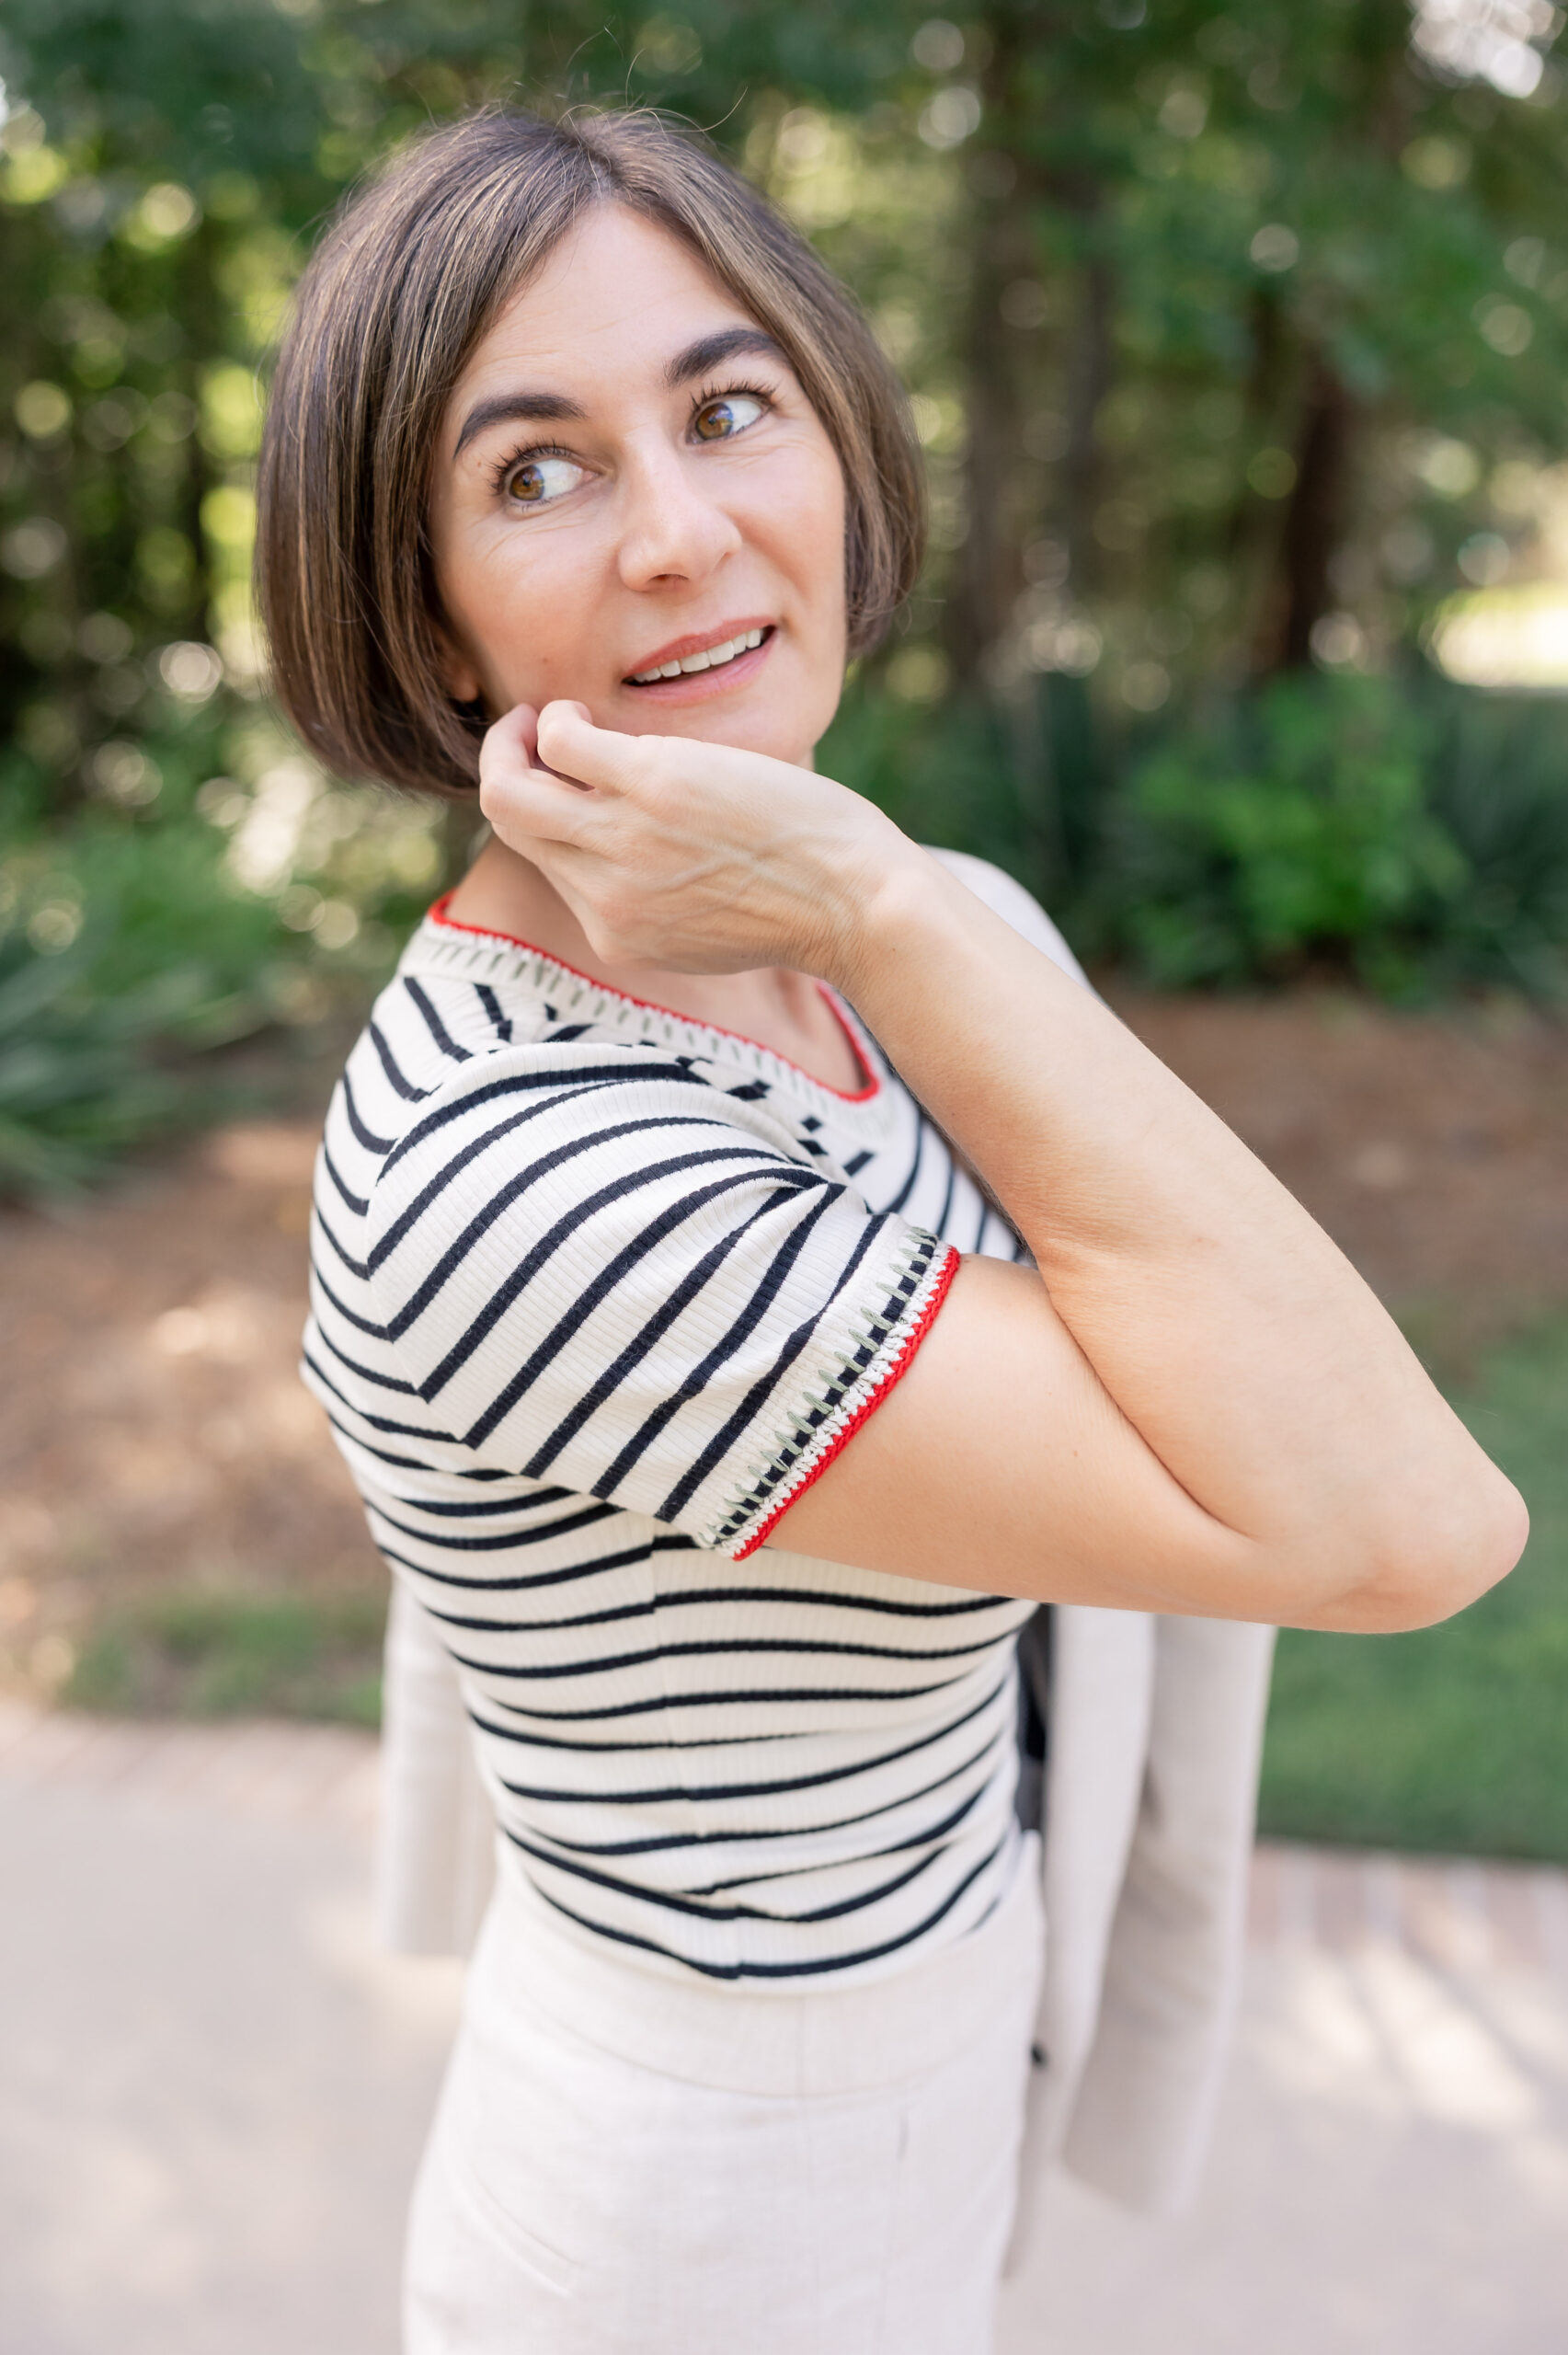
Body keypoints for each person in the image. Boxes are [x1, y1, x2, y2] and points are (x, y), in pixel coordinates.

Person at [255, 105, 1527, 2355]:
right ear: (422, 619)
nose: (680, 532)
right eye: (534, 469)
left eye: (730, 406)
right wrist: (881, 897)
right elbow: (1402, 1519)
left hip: (938, 2054)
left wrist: (894, 920)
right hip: (701, 2213)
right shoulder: (539, 1178)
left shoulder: (883, 946)